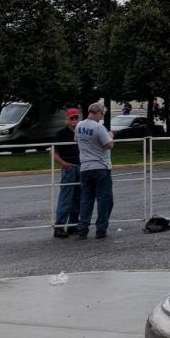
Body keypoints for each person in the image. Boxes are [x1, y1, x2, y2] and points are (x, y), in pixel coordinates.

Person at [75, 101, 115, 240]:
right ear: (98, 112)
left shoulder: (79, 125)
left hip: (85, 167)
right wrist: (111, 135)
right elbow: (109, 145)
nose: (102, 116)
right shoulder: (99, 127)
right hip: (101, 167)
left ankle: (82, 230)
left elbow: (77, 140)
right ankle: (101, 229)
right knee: (105, 200)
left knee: (86, 200)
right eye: (102, 113)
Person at [52, 108, 81, 238]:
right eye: (72, 118)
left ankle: (73, 225)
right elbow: (53, 152)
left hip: (81, 166)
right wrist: (63, 163)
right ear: (67, 120)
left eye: (76, 118)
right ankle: (59, 226)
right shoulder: (61, 134)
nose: (74, 120)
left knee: (78, 197)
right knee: (65, 197)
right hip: (69, 167)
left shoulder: (81, 132)